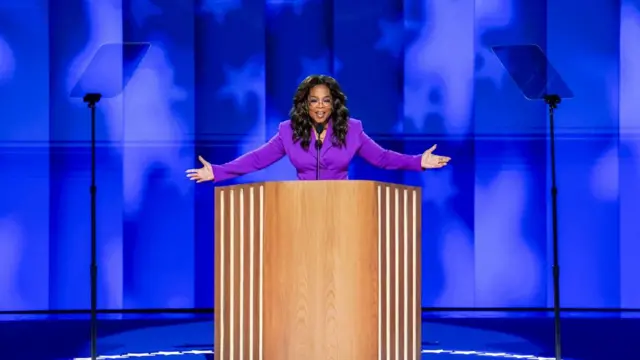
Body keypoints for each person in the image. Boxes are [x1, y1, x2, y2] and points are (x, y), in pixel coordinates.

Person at [186, 75, 451, 183]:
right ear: (305, 104)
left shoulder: (353, 129)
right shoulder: (288, 131)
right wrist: (218, 171)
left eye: (326, 100)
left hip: (343, 207)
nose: (320, 107)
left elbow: (382, 159)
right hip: (302, 208)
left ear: (334, 103)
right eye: (314, 101)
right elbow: (257, 159)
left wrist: (419, 162)